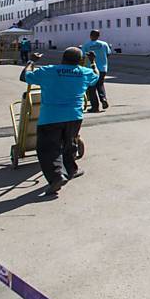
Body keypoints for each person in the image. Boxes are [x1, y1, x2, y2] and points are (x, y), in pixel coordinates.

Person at [20, 47, 99, 197]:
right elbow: (96, 76)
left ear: (63, 58)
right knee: (69, 143)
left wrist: (32, 61)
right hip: (74, 116)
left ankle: (56, 178)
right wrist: (93, 61)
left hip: (51, 117)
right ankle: (72, 170)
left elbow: (24, 76)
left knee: (48, 149)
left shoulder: (49, 71)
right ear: (80, 60)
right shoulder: (85, 72)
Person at [81, 30, 111, 112]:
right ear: (99, 36)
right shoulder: (104, 44)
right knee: (100, 84)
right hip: (103, 68)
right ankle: (103, 99)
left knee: (92, 88)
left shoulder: (86, 45)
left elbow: (82, 56)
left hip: (91, 68)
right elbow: (108, 54)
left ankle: (95, 107)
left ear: (90, 35)